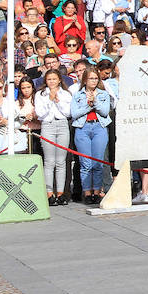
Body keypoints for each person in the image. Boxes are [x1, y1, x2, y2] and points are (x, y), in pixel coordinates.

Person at [71, 66, 113, 205]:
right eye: (91, 78)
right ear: (85, 80)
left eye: (96, 78)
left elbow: (105, 111)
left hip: (98, 127)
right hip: (83, 127)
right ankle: (87, 192)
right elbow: (75, 113)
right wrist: (88, 105)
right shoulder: (78, 95)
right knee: (86, 163)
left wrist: (95, 102)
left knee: (98, 162)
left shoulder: (103, 94)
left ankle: (97, 191)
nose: (94, 81)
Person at [35, 69, 72, 206]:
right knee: (49, 161)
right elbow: (40, 113)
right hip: (48, 125)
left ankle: (61, 193)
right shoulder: (40, 94)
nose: (52, 82)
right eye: (49, 79)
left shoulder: (66, 94)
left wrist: (58, 101)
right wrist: (50, 101)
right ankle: (49, 193)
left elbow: (68, 112)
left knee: (61, 161)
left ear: (59, 80)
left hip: (62, 125)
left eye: (54, 79)